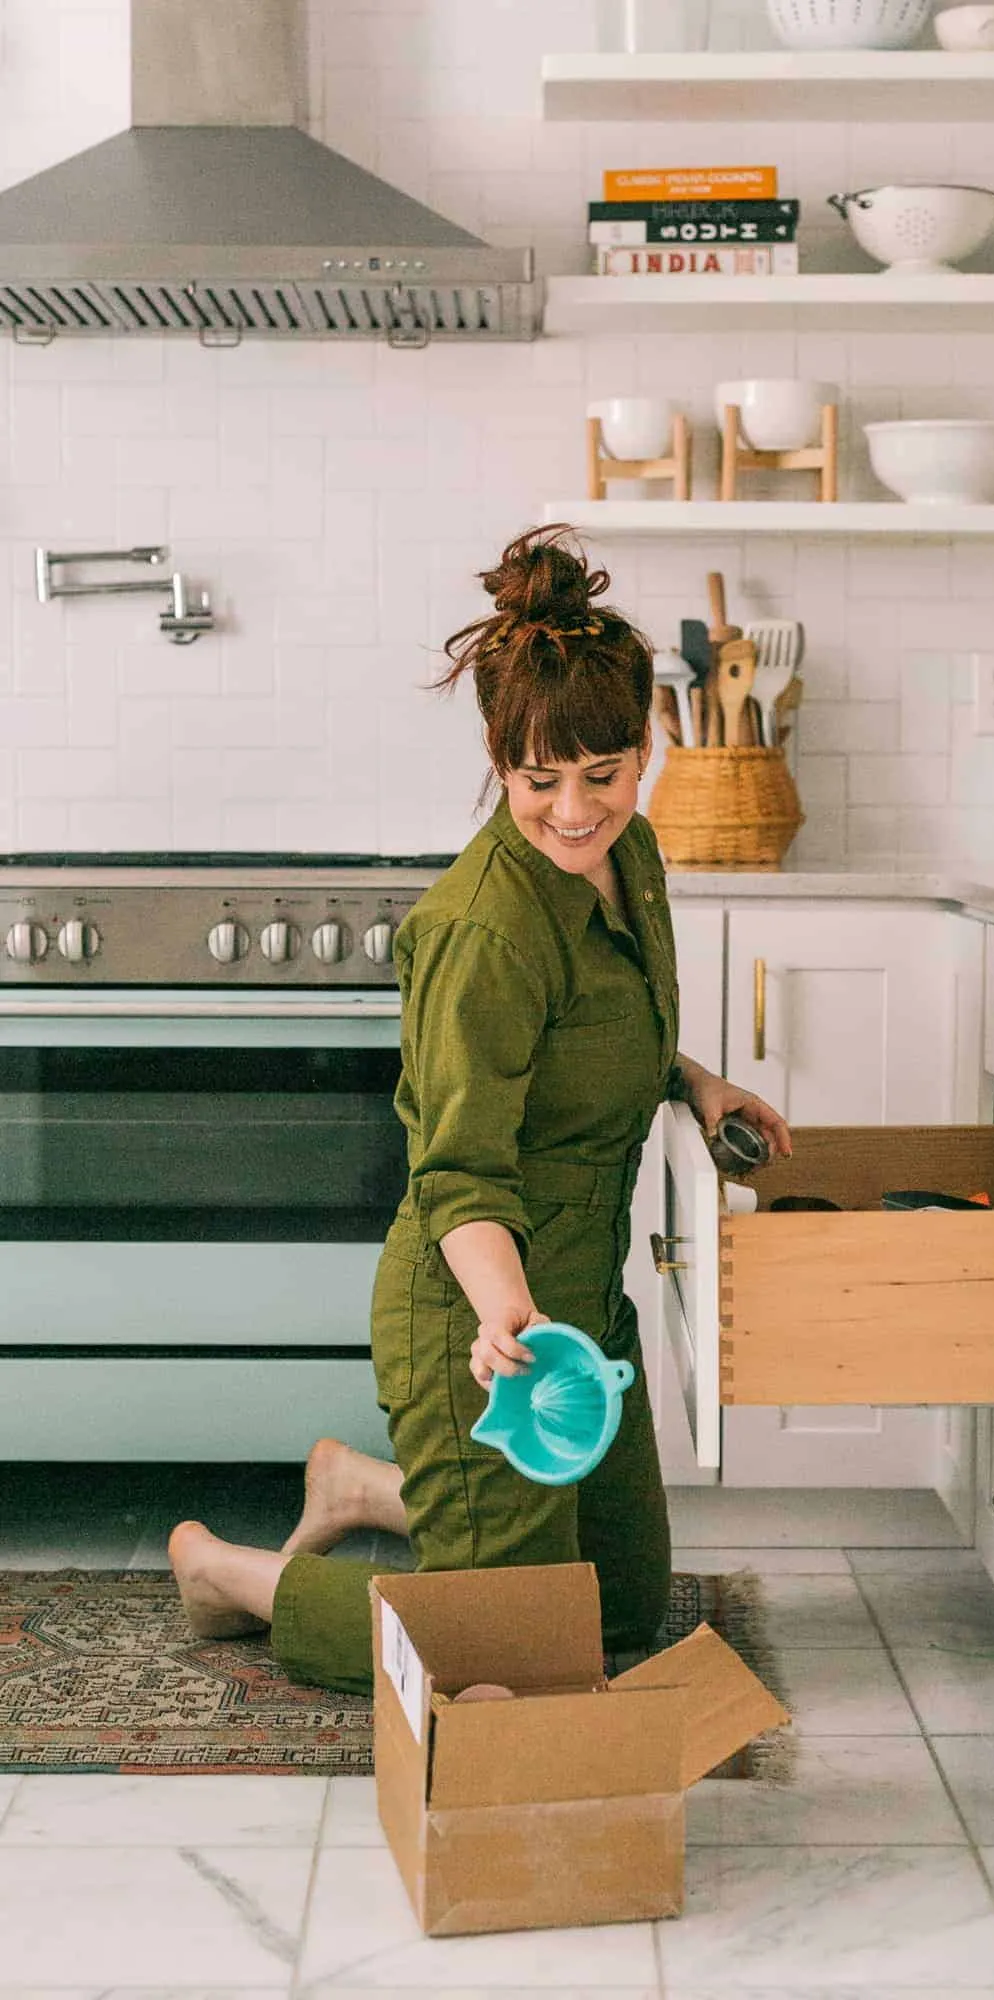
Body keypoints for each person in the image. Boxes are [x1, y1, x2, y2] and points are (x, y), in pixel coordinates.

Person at [168, 524, 791, 1693]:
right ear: (499, 761)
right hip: (485, 1318)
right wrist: (508, 1316)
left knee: (618, 1611)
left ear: (644, 746)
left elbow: (606, 1028)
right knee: (521, 1647)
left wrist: (694, 1080)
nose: (571, 810)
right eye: (536, 780)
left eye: (602, 775)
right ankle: (230, 1571)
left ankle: (370, 1488)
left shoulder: (635, 854)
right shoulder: (481, 929)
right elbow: (455, 1169)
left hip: (582, 1299)